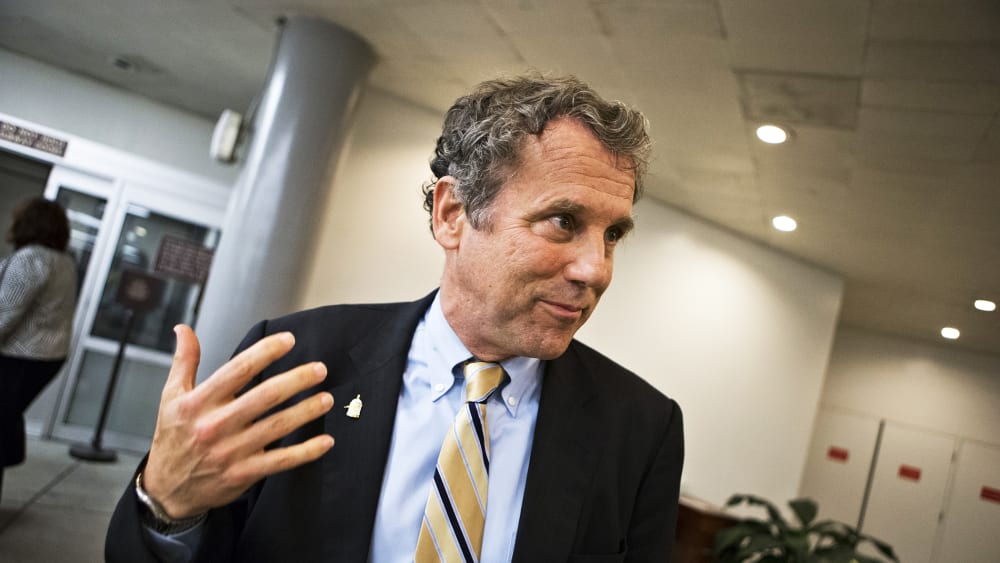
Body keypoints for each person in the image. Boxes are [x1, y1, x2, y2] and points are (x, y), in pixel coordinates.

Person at [106, 75, 684, 562]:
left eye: (613, 235)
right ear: (452, 214)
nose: (596, 269)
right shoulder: (296, 360)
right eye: (563, 222)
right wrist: (168, 508)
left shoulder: (641, 428)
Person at [0, 197, 77, 502]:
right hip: (47, 357)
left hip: (18, 356)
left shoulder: (30, 258)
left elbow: (5, 314)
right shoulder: (65, 262)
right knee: (5, 419)